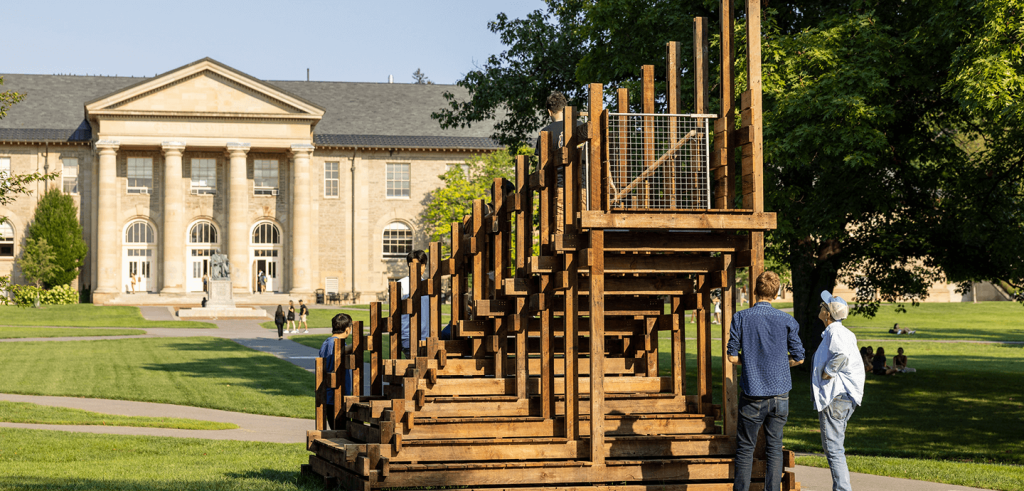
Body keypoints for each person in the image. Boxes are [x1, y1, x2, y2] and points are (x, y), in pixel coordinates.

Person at [726, 271, 805, 491]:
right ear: (777, 292)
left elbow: (732, 357)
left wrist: (752, 360)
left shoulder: (741, 318)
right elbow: (799, 358)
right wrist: (779, 362)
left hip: (752, 394)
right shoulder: (787, 320)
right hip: (780, 395)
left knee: (745, 448)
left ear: (755, 290)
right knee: (774, 448)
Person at [811, 290, 866, 491]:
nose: (820, 307)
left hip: (836, 397)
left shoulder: (835, 332)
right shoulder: (842, 332)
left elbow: (840, 354)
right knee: (835, 448)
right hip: (844, 397)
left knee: (834, 449)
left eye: (823, 306)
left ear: (828, 313)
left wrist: (828, 372)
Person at [318, 313, 354, 430]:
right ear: (347, 329)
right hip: (338, 396)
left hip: (328, 396)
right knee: (342, 433)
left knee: (336, 431)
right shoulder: (338, 345)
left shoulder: (326, 343)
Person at [399, 250, 431, 358]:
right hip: (408, 337)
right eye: (417, 264)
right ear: (409, 265)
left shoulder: (427, 285)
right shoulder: (401, 284)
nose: (420, 268)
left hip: (426, 338)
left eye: (422, 264)